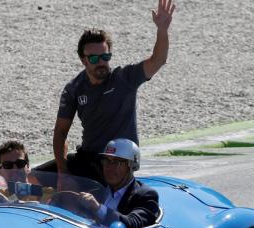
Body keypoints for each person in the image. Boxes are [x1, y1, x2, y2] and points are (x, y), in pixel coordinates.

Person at [34, 0, 175, 187]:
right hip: (89, 157)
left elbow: (158, 60)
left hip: (119, 161)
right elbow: (60, 133)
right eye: (94, 58)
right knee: (34, 177)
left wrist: (162, 29)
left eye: (105, 57)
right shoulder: (74, 88)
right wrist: (63, 172)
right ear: (83, 60)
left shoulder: (125, 78)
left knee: (90, 192)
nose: (101, 62)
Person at [76, 138, 160, 228]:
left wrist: (98, 208)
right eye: (107, 160)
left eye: (117, 162)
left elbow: (132, 223)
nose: (110, 167)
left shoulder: (145, 195)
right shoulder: (97, 192)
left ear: (131, 166)